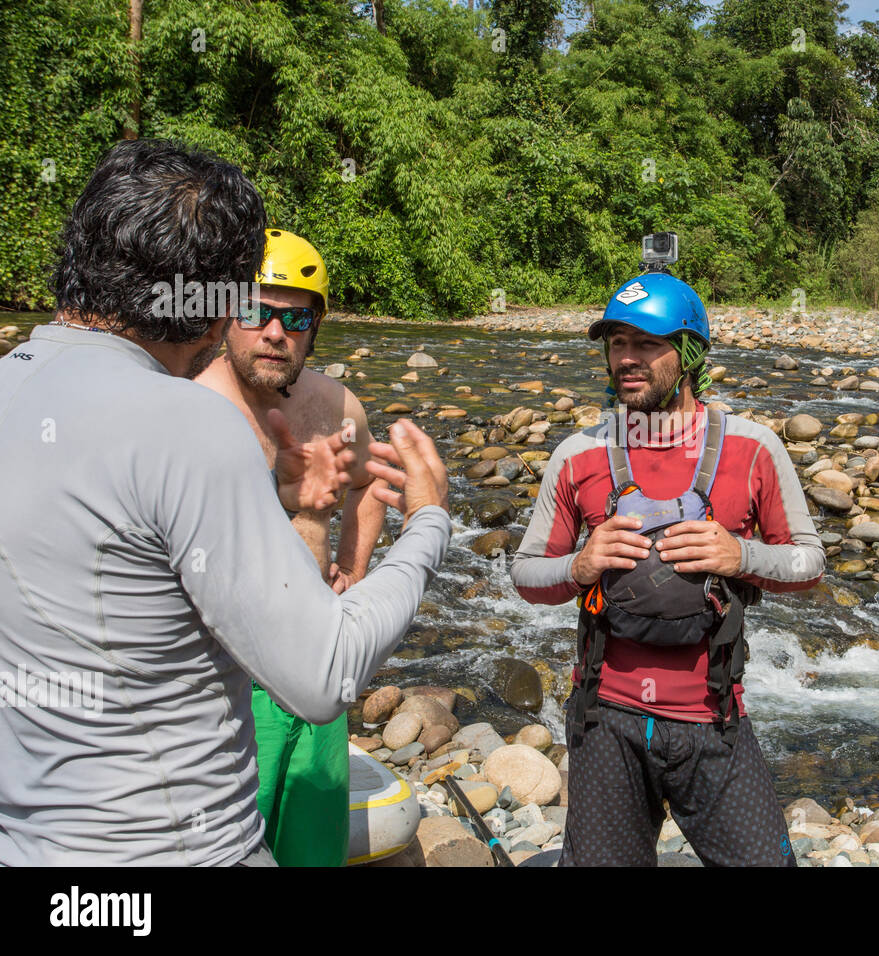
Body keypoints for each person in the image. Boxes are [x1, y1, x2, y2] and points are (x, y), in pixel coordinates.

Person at [0, 139, 451, 865]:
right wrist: (429, 523)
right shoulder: (186, 418)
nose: (273, 328)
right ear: (214, 314)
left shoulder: (11, 386)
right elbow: (323, 675)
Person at [510, 271, 825, 867]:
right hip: (605, 721)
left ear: (688, 354)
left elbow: (809, 563)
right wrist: (580, 566)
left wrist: (743, 557)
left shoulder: (752, 449)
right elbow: (526, 574)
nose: (627, 358)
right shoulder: (578, 455)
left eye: (648, 344)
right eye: (617, 342)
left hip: (714, 722)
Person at [196, 228, 386, 866]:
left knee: (310, 849)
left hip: (315, 659)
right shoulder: (186, 405)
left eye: (295, 316)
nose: (275, 331)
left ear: (316, 325)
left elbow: (368, 487)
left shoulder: (335, 406)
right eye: (257, 310)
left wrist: (354, 570)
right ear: (227, 314)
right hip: (220, 676)